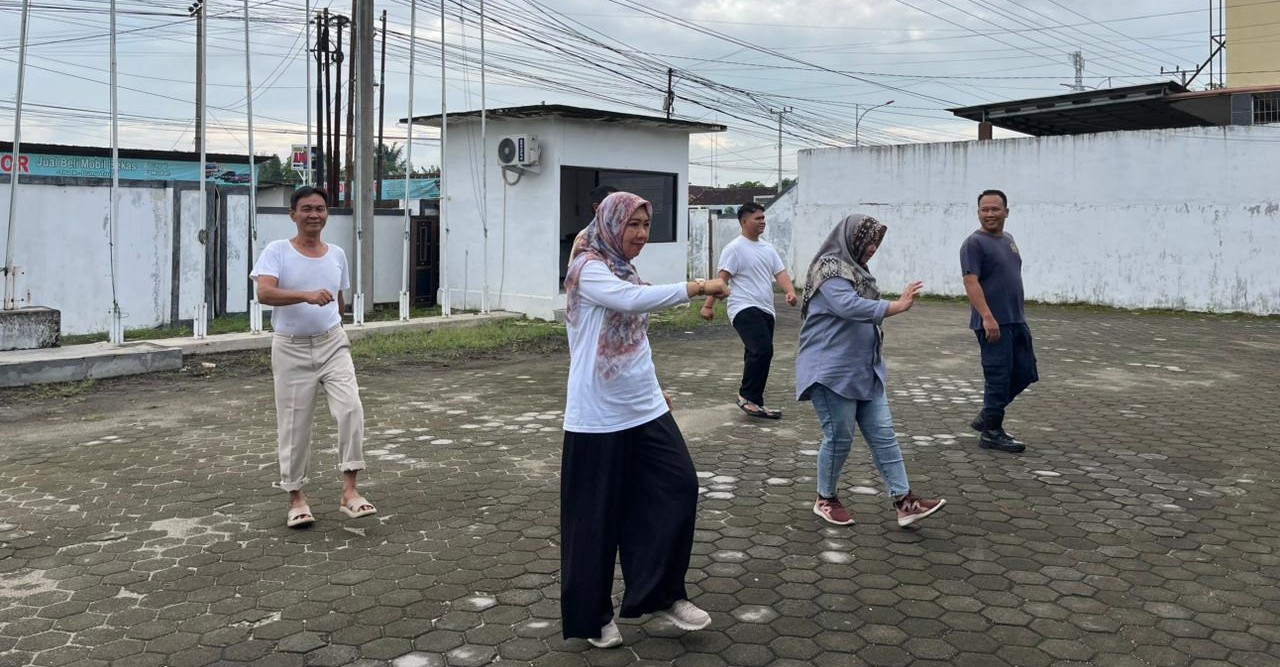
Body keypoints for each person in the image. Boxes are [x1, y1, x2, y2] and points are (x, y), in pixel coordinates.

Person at [560, 191, 731, 648]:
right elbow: (632, 302)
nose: (640, 234)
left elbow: (634, 342)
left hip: (645, 407)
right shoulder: (588, 268)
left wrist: (654, 388)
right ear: (611, 224)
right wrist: (698, 287)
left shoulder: (625, 268)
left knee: (678, 486)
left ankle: (661, 593)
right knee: (595, 519)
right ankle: (592, 618)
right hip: (597, 415)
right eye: (632, 224)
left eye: (645, 225)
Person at [795, 214, 945, 528]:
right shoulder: (830, 268)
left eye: (877, 242)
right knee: (839, 438)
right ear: (852, 238)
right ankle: (825, 498)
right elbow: (848, 306)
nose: (873, 248)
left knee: (884, 435)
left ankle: (905, 501)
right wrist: (896, 306)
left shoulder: (857, 271)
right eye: (868, 240)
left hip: (865, 370)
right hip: (832, 372)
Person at [250, 186, 375, 528]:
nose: (313, 215)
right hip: (290, 347)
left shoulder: (337, 254)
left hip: (332, 343)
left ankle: (350, 491)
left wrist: (335, 326)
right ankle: (296, 498)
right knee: (294, 424)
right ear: (293, 214)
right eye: (306, 209)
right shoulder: (277, 251)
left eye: (320, 208)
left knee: (351, 409)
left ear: (327, 214)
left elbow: (339, 299)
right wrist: (305, 296)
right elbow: (264, 292)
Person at [700, 202, 797, 419]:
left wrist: (790, 292)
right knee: (762, 351)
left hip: (766, 309)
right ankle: (747, 397)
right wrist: (708, 305)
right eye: (757, 218)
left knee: (757, 353)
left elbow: (780, 273)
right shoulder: (734, 248)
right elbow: (721, 279)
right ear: (744, 222)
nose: (762, 222)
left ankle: (755, 401)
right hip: (743, 307)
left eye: (763, 218)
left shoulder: (768, 248)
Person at [961, 189, 1038, 454]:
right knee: (998, 376)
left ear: (1006, 211)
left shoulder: (1008, 239)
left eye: (995, 209)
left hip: (1016, 319)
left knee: (1025, 372)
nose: (990, 214)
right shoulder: (973, 243)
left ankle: (988, 415)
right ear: (978, 212)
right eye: (985, 209)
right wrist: (987, 317)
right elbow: (971, 282)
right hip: (993, 323)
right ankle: (992, 432)